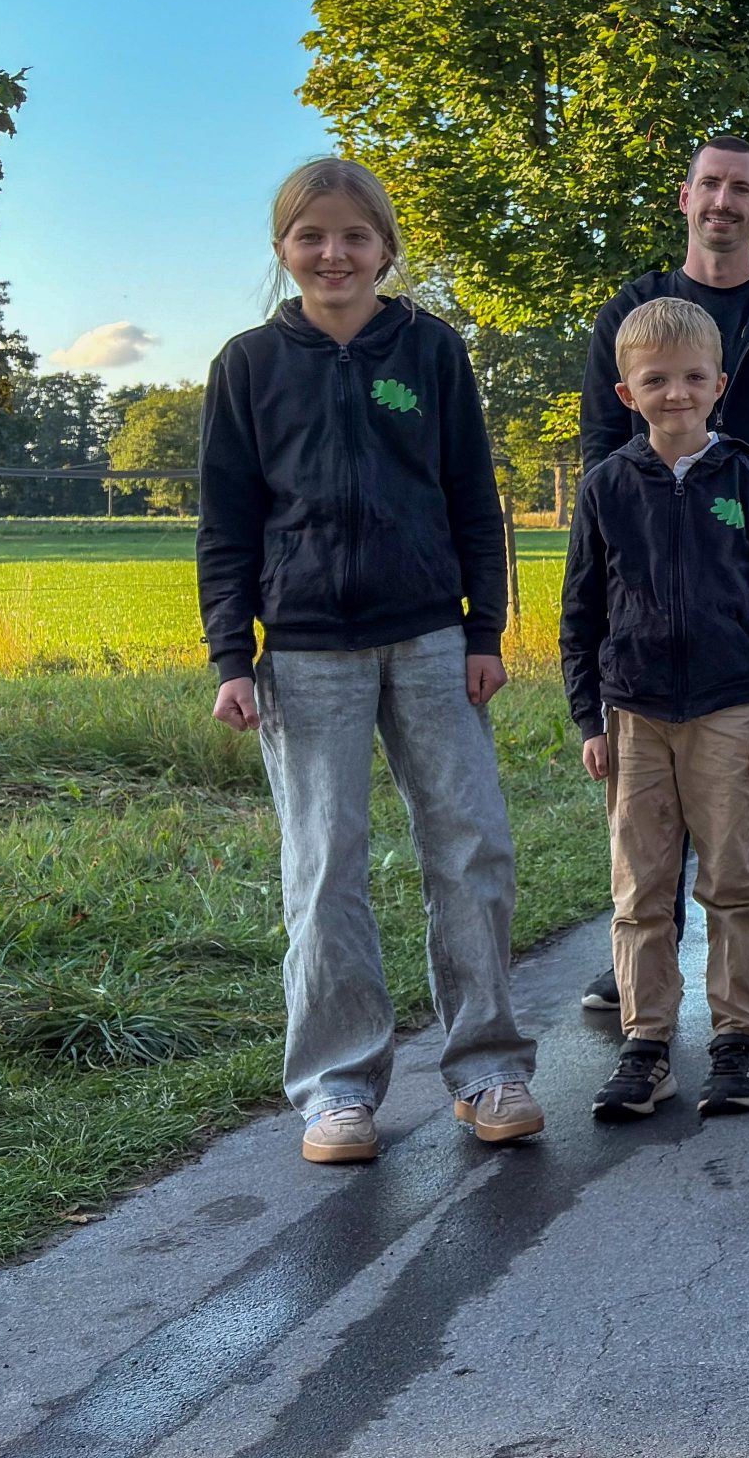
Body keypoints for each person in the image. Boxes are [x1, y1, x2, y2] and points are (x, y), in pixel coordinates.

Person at [199, 157, 540, 1166]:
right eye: (312, 237)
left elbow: (475, 496)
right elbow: (226, 522)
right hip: (303, 653)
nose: (334, 253)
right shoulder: (249, 366)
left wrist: (486, 629)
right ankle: (339, 1089)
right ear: (284, 252)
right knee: (324, 866)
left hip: (432, 638)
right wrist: (231, 651)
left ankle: (487, 1068)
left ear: (387, 247)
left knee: (472, 846)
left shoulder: (430, 351)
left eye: (354, 236)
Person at [577, 136, 749, 1007]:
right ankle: (643, 953)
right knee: (650, 782)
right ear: (685, 197)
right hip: (650, 600)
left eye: (742, 188)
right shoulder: (634, 309)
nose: (724, 201)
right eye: (710, 185)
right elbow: (597, 449)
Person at [563, 299, 749, 1119]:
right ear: (627, 391)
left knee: (734, 880)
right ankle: (647, 1044)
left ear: (720, 385)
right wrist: (589, 719)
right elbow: (580, 612)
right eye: (656, 380)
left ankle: (738, 1039)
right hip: (632, 716)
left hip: (730, 712)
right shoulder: (605, 488)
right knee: (641, 887)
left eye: (693, 378)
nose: (676, 394)